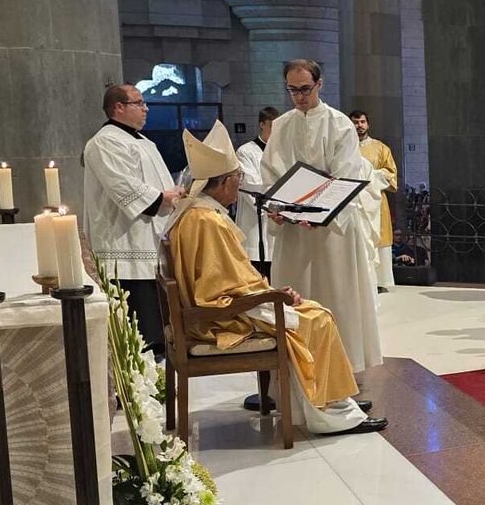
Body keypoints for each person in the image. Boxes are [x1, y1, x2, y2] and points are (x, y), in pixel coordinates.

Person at [168, 122, 386, 436]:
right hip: (222, 317)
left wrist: (269, 291)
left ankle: (328, 401)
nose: (240, 183)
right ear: (225, 182)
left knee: (311, 312)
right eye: (238, 177)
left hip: (220, 308)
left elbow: (226, 278)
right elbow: (222, 287)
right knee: (318, 319)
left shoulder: (193, 212)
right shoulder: (207, 221)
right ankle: (332, 414)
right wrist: (273, 296)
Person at [259, 59, 382, 373]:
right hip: (293, 229)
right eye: (292, 90)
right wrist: (278, 208)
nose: (299, 97)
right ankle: (296, 368)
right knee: (296, 295)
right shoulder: (282, 125)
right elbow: (270, 172)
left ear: (319, 84)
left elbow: (345, 175)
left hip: (331, 229)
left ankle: (340, 370)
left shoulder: (339, 124)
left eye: (305, 89)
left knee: (336, 296)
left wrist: (318, 210)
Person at [83, 83, 182, 353]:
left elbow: (158, 183)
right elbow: (123, 186)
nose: (145, 108)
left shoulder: (143, 141)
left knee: (158, 325)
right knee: (139, 331)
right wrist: (163, 198)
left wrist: (174, 193)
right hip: (124, 243)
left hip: (150, 239)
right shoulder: (105, 142)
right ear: (118, 107)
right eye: (139, 103)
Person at [350, 110, 399, 292]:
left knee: (378, 237)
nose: (359, 126)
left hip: (375, 200)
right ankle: (357, 281)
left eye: (362, 122)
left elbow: (391, 174)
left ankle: (380, 282)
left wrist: (369, 175)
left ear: (368, 124)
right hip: (353, 201)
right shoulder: (343, 148)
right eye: (355, 122)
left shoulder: (381, 148)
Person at [236, 107, 278, 275]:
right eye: (271, 126)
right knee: (258, 273)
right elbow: (252, 185)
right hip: (256, 223)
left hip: (278, 222)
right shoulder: (245, 151)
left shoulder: (281, 151)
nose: (275, 131)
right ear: (262, 124)